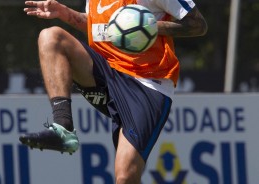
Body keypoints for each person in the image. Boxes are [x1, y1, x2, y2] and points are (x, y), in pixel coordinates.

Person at [19, 0, 207, 183]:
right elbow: (104, 29)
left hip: (147, 83)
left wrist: (149, 26)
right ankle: (63, 129)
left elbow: (198, 24)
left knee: (126, 177)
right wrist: (65, 14)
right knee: (51, 37)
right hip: (107, 71)